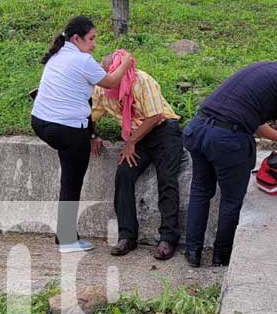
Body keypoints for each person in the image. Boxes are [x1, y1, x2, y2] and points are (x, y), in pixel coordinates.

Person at [183, 47, 277, 267]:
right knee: (231, 200)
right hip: (227, 141)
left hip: (197, 129)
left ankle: (192, 253)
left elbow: (255, 122)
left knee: (200, 190)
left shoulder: (263, 68)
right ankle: (221, 258)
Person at [31, 16, 132, 253]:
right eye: (91, 39)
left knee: (69, 176)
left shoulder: (58, 54)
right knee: (71, 183)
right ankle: (67, 239)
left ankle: (65, 235)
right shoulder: (82, 60)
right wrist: (126, 63)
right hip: (67, 130)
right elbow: (110, 82)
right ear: (76, 39)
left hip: (40, 122)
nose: (94, 44)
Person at [91, 51, 183, 260]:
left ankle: (168, 239)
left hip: (163, 131)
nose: (107, 80)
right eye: (103, 75)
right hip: (137, 137)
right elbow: (92, 114)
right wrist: (93, 135)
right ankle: (127, 236)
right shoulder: (102, 88)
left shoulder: (142, 80)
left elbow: (155, 115)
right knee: (124, 175)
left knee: (167, 179)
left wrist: (131, 142)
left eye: (110, 74)